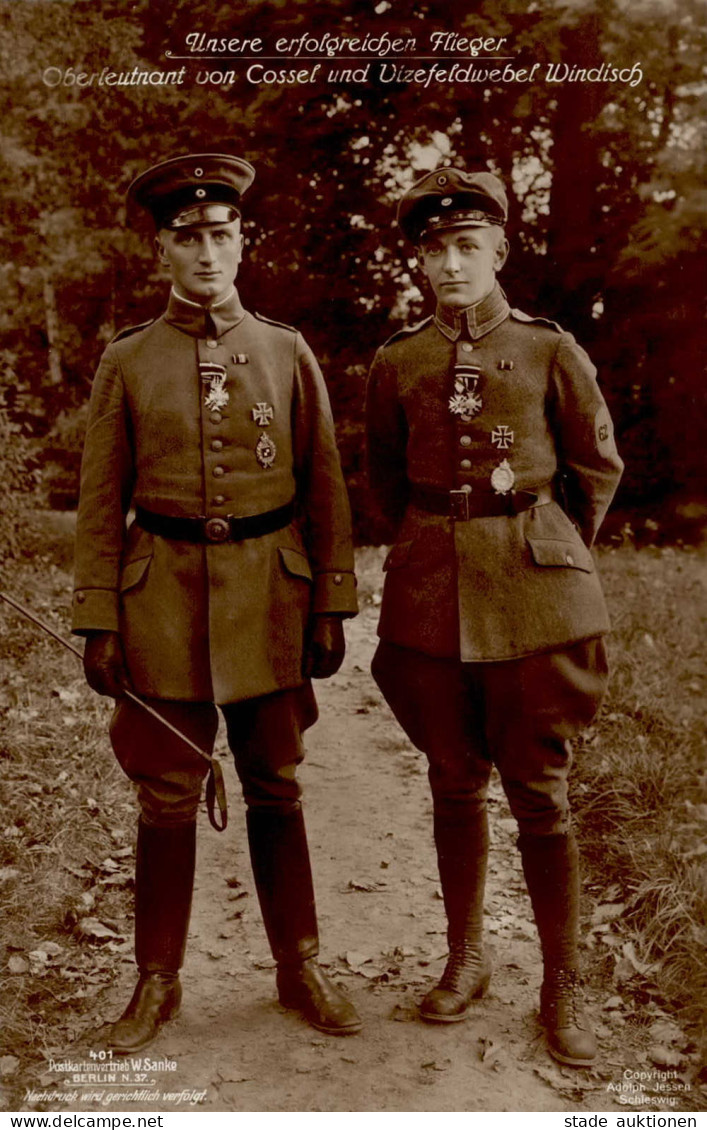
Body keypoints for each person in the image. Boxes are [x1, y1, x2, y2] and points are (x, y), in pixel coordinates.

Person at [72, 153, 361, 1052]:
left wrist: (331, 602)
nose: (207, 252)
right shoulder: (128, 360)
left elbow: (324, 482)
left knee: (276, 783)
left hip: (271, 595)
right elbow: (98, 499)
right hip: (159, 595)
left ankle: (299, 965)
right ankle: (156, 982)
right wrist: (99, 617)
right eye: (189, 237)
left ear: (243, 241)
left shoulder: (283, 349)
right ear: (162, 248)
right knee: (164, 797)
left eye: (222, 235)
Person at [365, 167, 623, 1067]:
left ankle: (563, 986)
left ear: (498, 252)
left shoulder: (550, 349)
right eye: (432, 250)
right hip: (432, 595)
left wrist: (544, 544)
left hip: (536, 595)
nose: (448, 264)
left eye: (465, 246)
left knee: (540, 796)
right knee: (450, 780)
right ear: (418, 261)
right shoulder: (396, 361)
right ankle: (466, 957)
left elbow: (594, 465)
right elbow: (386, 481)